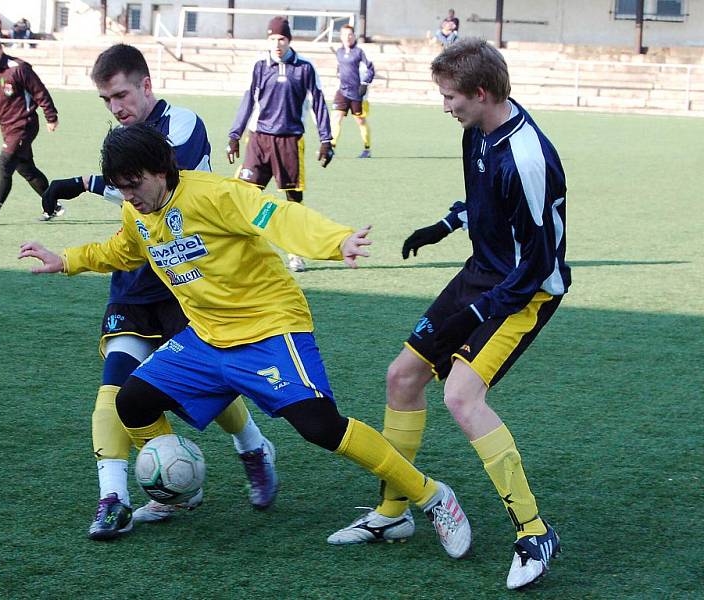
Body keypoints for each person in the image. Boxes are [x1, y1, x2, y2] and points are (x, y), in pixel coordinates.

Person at [19, 123, 472, 560]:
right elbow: (124, 250)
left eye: (135, 184)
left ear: (161, 169)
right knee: (133, 400)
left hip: (269, 328)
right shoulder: (137, 211)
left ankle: (433, 497)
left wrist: (336, 242)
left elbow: (279, 215)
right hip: (206, 336)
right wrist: (67, 259)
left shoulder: (216, 194)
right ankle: (174, 490)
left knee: (319, 426)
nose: (130, 196)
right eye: (122, 187)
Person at [328, 38, 569, 591]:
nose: (445, 105)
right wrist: (446, 223)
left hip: (525, 290)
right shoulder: (476, 130)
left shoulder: (528, 158)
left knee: (461, 396)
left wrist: (481, 310)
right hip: (483, 271)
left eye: (450, 96)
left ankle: (534, 531)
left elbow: (538, 263)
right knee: (401, 377)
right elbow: (484, 199)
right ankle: (393, 513)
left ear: (481, 93)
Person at [39, 44, 278, 541]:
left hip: (186, 283)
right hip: (133, 285)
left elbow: (159, 187)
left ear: (147, 85)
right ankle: (117, 498)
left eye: (121, 94)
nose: (116, 107)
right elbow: (131, 201)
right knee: (115, 392)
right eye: (106, 100)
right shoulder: (125, 136)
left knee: (212, 389)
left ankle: (253, 447)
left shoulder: (183, 125)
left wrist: (86, 181)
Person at [227, 16, 334, 273]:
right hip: (259, 139)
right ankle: (237, 252)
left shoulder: (305, 68)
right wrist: (234, 135)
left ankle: (295, 253)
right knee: (242, 196)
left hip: (290, 141)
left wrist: (326, 139)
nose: (277, 44)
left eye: (282, 39)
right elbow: (247, 102)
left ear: (289, 40)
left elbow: (318, 104)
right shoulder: (260, 67)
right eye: (273, 39)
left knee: (292, 201)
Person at [0, 34, 59, 226]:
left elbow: (40, 92)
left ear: (0, 49)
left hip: (24, 124)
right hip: (7, 128)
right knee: (26, 169)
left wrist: (51, 116)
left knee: (5, 164)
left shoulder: (18, 68)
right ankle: (53, 205)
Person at [330, 24, 375, 159]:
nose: (347, 37)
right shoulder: (339, 52)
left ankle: (367, 149)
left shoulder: (359, 52)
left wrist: (365, 83)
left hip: (357, 94)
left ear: (354, 36)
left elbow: (371, 69)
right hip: (342, 91)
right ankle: (331, 148)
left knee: (361, 121)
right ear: (341, 37)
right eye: (344, 35)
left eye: (350, 34)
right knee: (336, 117)